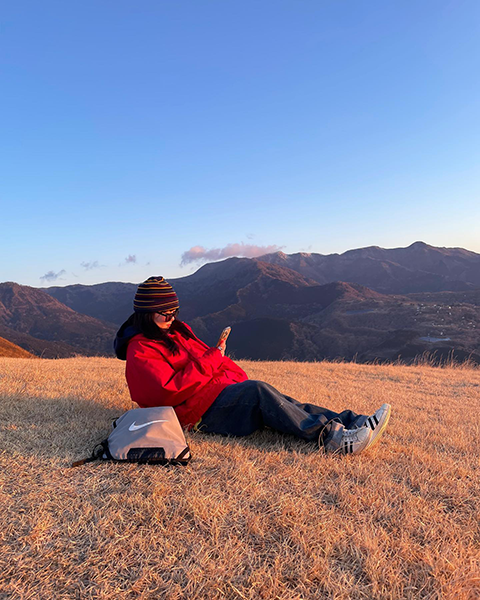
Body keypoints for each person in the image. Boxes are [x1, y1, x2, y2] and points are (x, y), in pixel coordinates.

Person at [114, 276, 391, 455]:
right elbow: (165, 392)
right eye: (165, 312)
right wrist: (215, 358)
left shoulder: (176, 331)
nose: (171, 317)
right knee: (259, 392)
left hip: (213, 397)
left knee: (280, 400)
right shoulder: (141, 349)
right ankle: (333, 439)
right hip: (196, 416)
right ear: (146, 313)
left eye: (174, 311)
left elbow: (205, 363)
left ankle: (353, 421)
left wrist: (225, 368)